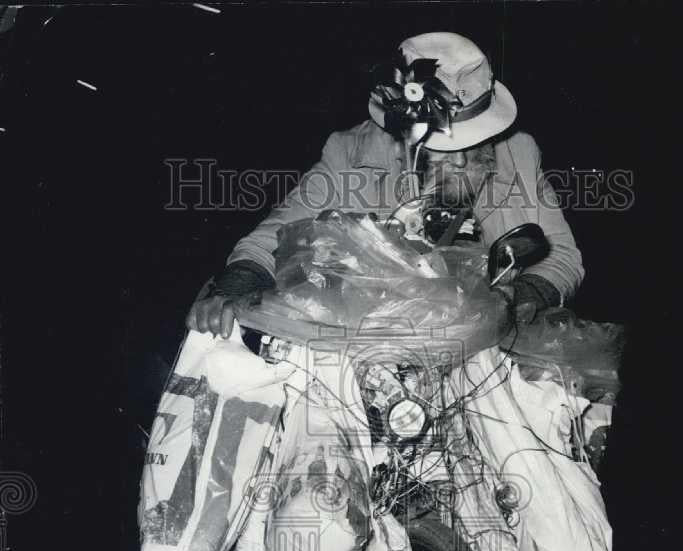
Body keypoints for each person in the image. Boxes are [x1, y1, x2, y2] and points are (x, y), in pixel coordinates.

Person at [186, 31, 584, 338]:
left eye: (475, 142)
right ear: (403, 138)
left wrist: (521, 298)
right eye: (443, 147)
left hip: (485, 347)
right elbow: (268, 241)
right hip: (370, 340)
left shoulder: (519, 151)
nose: (462, 159)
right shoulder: (349, 152)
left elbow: (561, 255)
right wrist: (231, 290)